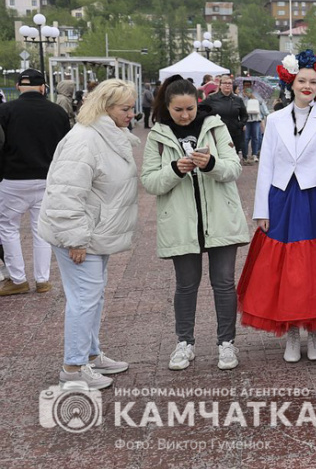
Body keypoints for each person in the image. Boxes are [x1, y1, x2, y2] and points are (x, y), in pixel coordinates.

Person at [237, 50, 316, 363]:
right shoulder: (275, 119)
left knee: (311, 271)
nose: (307, 86)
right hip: (281, 199)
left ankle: (314, 334)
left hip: (313, 199)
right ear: (291, 82)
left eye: (313, 81)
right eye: (302, 81)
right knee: (284, 271)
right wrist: (262, 211)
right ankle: (292, 335)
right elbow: (266, 167)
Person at [141, 75, 250, 372]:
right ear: (167, 107)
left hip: (219, 217)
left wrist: (211, 164)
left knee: (224, 284)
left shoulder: (213, 126)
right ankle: (184, 343)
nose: (186, 115)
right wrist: (175, 169)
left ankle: (226, 344)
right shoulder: (158, 135)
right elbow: (150, 181)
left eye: (190, 108)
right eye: (179, 110)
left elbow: (234, 168)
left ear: (197, 103)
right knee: (186, 285)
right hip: (180, 220)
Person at [37, 79, 139, 389]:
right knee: (84, 299)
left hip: (94, 231)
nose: (132, 114)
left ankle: (90, 355)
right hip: (82, 235)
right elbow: (65, 194)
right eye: (126, 109)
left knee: (91, 297)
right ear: (106, 109)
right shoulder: (84, 140)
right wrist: (76, 239)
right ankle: (73, 366)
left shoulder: (105, 135)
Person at [0, 70, 70, 296]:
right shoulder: (57, 111)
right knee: (41, 230)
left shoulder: (5, 110)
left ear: (19, 87)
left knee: (8, 228)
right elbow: (65, 147)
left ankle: (18, 279)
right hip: (47, 179)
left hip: (12, 179)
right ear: (43, 88)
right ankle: (43, 280)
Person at [201, 74, 247, 157]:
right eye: (225, 83)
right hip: (217, 133)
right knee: (219, 156)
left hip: (234, 133)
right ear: (220, 85)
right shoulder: (212, 98)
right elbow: (200, 109)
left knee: (233, 156)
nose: (227, 85)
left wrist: (240, 125)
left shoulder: (237, 99)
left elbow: (244, 115)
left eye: (229, 83)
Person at [241, 87, 269, 165]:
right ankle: (245, 155)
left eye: (249, 92)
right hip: (247, 120)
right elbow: (242, 108)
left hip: (256, 119)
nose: (248, 93)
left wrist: (255, 99)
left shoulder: (258, 99)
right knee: (246, 138)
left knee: (256, 137)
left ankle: (254, 154)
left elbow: (262, 106)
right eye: (247, 92)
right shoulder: (243, 99)